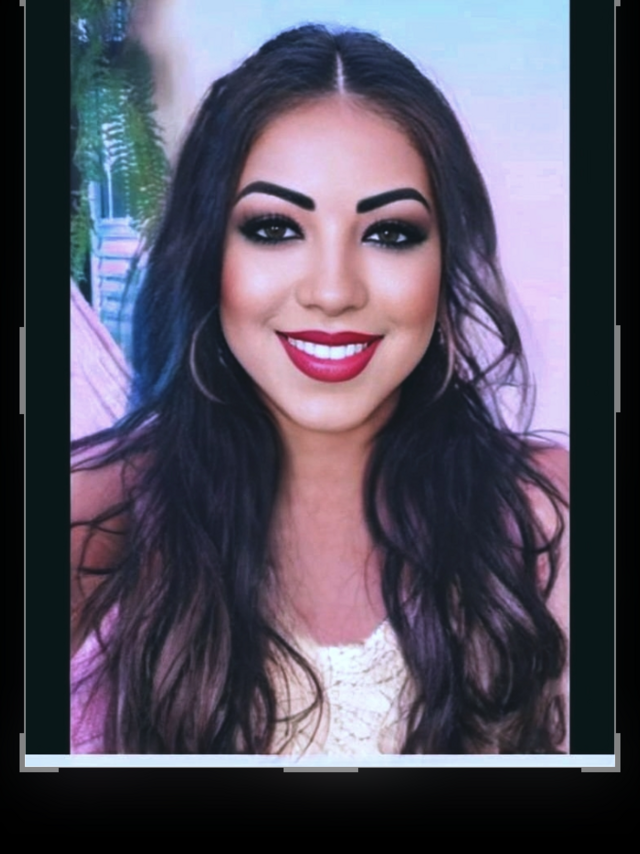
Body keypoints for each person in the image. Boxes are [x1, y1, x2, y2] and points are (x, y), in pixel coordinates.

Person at [71, 24, 568, 755]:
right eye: (275, 228)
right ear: (209, 254)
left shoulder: (548, 513)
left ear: (445, 262)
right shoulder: (103, 515)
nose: (333, 292)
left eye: (389, 233)